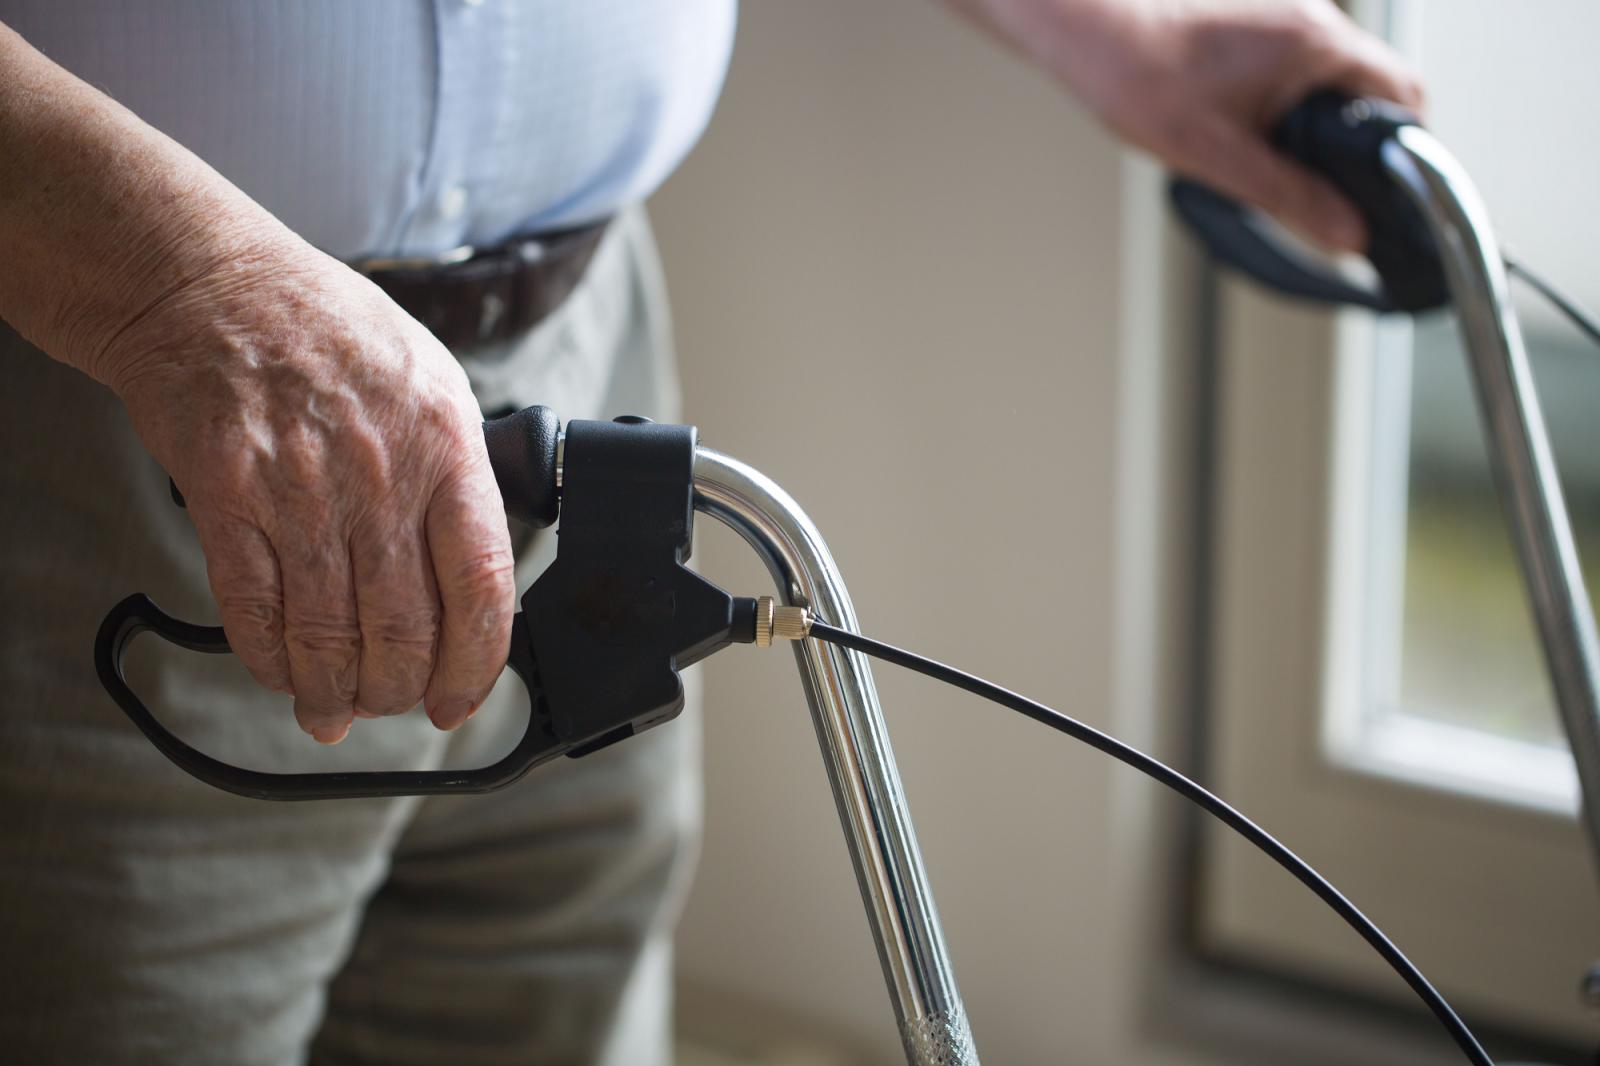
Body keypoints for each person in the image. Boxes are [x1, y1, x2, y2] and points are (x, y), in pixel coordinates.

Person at [0, 2, 1422, 1063]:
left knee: (559, 983)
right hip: (114, 376)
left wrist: (1131, 33)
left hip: (586, 342)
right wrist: (180, 284)